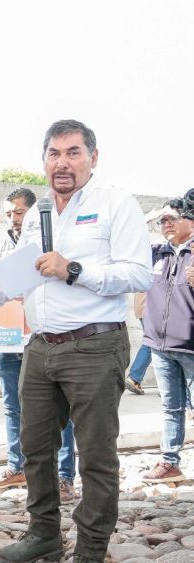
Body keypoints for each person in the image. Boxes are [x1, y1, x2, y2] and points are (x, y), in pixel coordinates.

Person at [0, 119, 151, 563]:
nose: (63, 163)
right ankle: (42, 533)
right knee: (35, 447)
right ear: (44, 160)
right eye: (54, 154)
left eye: (73, 153)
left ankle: (90, 549)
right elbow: (25, 271)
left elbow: (140, 274)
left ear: (92, 159)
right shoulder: (40, 211)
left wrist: (74, 269)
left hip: (95, 347)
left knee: (96, 455)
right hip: (40, 348)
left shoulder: (116, 204)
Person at [0, 187, 77, 504]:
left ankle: (64, 477)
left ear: (34, 212)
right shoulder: (2, 246)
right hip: (6, 341)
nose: (13, 219)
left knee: (59, 412)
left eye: (18, 212)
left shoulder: (48, 244)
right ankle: (17, 467)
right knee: (12, 408)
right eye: (9, 213)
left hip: (40, 341)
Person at [139, 203, 194, 484]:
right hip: (160, 346)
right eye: (162, 221)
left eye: (172, 218)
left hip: (190, 346)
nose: (166, 224)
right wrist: (153, 215)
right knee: (171, 408)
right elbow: (132, 237)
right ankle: (169, 461)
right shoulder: (157, 252)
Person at [125, 292, 150, 394]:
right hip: (153, 308)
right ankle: (134, 378)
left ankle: (135, 378)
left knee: (153, 343)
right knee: (153, 344)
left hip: (143, 307)